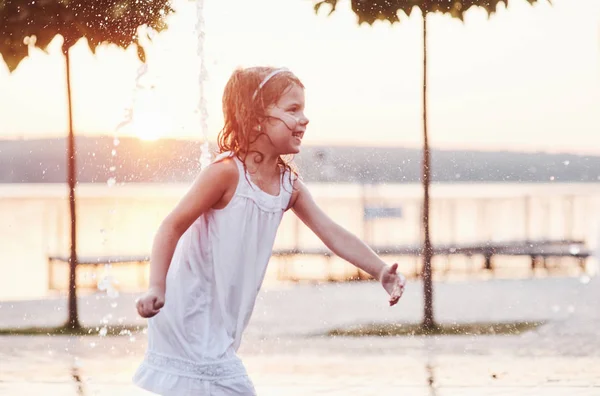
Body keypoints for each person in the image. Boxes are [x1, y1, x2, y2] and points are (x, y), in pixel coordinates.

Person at [133, 66, 406, 396]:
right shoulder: (225, 173)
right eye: (293, 109)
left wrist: (380, 271)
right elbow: (170, 226)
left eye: (304, 109)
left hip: (221, 320)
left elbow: (332, 232)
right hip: (187, 309)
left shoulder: (288, 184)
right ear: (257, 118)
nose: (304, 119)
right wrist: (155, 287)